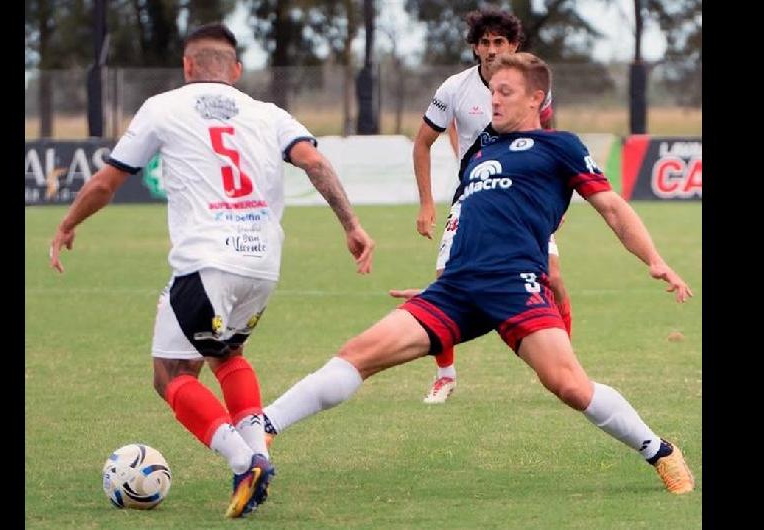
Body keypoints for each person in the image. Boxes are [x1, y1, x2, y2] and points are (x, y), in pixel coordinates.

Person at [261, 53, 695, 496]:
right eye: (491, 93)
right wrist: (440, 283)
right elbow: (466, 223)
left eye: (505, 92)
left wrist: (654, 259)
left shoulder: (561, 146)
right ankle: (264, 427)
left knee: (569, 385)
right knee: (359, 354)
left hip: (516, 284)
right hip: (456, 289)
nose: (494, 101)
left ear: (536, 98)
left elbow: (614, 208)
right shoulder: (479, 154)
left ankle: (659, 451)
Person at [48, 23, 375, 518]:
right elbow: (315, 163)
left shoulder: (163, 107)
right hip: (263, 265)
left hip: (206, 261)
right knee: (227, 354)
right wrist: (351, 225)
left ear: (187, 66)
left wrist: (68, 223)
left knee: (171, 375)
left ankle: (243, 462)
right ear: (236, 70)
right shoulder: (269, 113)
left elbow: (107, 181)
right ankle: (259, 455)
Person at [402, 7, 569, 404]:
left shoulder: (531, 88)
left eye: (500, 42)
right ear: (475, 48)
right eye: (485, 43)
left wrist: (553, 203)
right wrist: (427, 204)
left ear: (513, 46)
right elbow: (422, 142)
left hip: (523, 201)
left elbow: (550, 144)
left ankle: (564, 364)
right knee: (445, 280)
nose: (492, 50)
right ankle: (445, 376)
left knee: (555, 278)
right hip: (473, 198)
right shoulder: (453, 89)